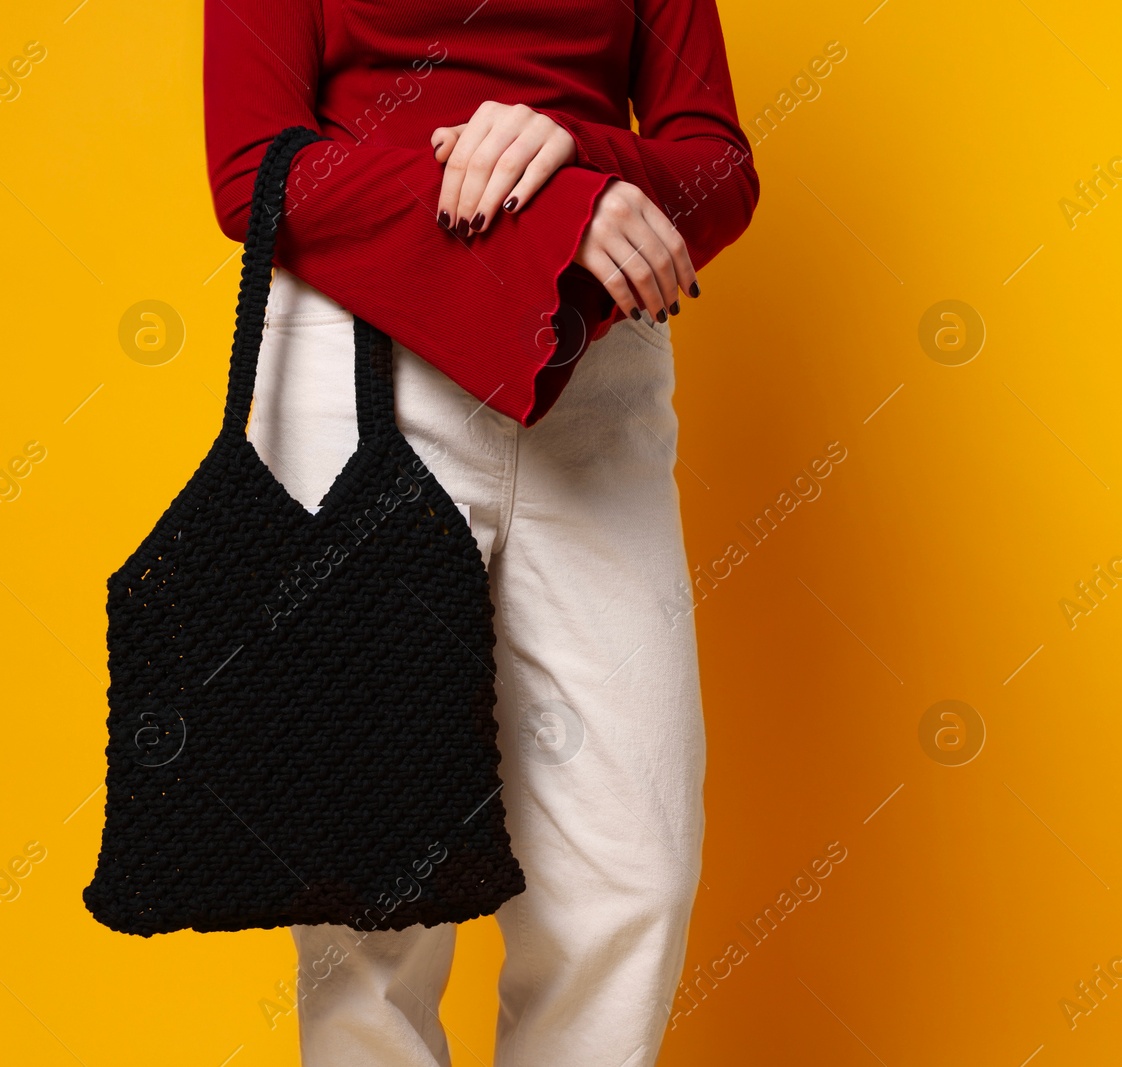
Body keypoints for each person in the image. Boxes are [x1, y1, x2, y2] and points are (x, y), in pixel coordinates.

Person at [203, 3, 759, 1064]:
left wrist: (579, 166)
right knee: (371, 891)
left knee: (628, 869)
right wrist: (543, 211)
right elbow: (252, 172)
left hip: (587, 361)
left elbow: (716, 167)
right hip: (359, 363)